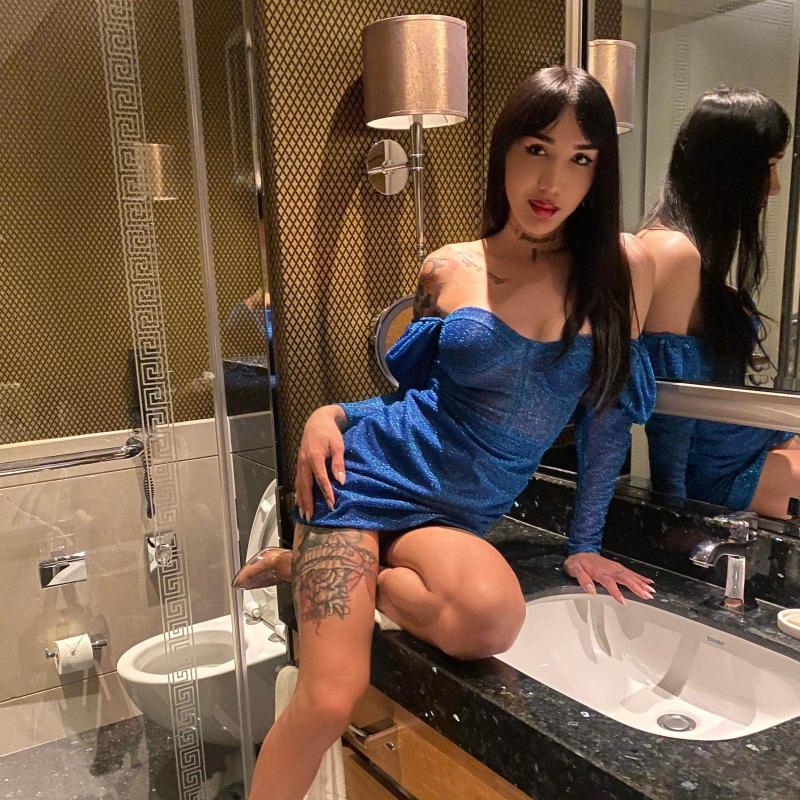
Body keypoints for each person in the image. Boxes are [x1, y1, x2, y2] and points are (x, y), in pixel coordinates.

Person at [235, 66, 656, 800]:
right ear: (504, 153)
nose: (552, 179)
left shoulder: (616, 279)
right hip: (363, 478)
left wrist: (584, 543)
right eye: (536, 149)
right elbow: (417, 401)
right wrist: (332, 415)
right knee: (329, 699)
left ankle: (317, 568)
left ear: (600, 172)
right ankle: (328, 560)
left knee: (491, 620)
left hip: (454, 519)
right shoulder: (450, 266)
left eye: (580, 158)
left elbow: (606, 421)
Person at [637, 87, 799, 518]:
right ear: (730, 167)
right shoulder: (673, 252)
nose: (775, 187)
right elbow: (670, 408)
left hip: (743, 447)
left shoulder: (689, 247)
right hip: (717, 474)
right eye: (769, 166)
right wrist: (673, 513)